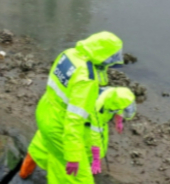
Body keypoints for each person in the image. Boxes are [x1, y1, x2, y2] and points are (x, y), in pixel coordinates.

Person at [19, 32, 124, 183]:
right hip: (59, 126)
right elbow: (73, 120)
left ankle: (23, 174)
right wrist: (73, 157)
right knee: (77, 178)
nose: (111, 61)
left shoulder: (69, 54)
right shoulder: (87, 80)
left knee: (41, 147)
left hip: (46, 111)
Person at [20, 86, 137, 180]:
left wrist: (118, 120)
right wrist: (97, 159)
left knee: (41, 144)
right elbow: (95, 138)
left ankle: (24, 172)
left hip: (60, 119)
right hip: (81, 127)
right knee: (78, 157)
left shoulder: (111, 93)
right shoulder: (98, 109)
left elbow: (119, 106)